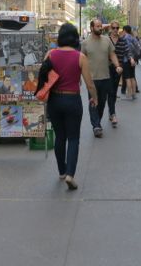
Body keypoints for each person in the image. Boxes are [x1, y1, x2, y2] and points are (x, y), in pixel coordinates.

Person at [47, 23, 98, 190]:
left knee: (59, 137)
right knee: (73, 138)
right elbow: (89, 83)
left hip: (54, 100)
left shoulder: (50, 54)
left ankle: (61, 171)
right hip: (72, 100)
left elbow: (43, 77)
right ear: (75, 38)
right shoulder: (80, 57)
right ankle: (70, 174)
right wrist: (94, 98)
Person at [81, 19, 123, 136]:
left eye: (100, 26)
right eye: (97, 26)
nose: (100, 28)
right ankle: (96, 126)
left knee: (102, 103)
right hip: (92, 79)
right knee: (93, 101)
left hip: (105, 77)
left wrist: (117, 66)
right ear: (92, 28)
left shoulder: (106, 40)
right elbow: (81, 59)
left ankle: (97, 121)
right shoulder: (85, 43)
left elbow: (112, 54)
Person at [107, 20, 126, 124]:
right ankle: (113, 113)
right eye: (113, 28)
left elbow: (127, 51)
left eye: (117, 28)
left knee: (114, 91)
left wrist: (131, 58)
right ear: (110, 28)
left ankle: (111, 111)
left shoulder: (122, 40)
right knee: (110, 91)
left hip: (118, 69)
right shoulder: (106, 40)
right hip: (108, 68)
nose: (115, 30)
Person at [120, 25, 138, 100]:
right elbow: (137, 48)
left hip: (126, 59)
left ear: (124, 30)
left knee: (127, 78)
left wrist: (129, 58)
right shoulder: (133, 38)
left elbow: (126, 50)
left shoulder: (125, 38)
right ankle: (134, 94)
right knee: (132, 77)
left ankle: (129, 94)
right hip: (133, 59)